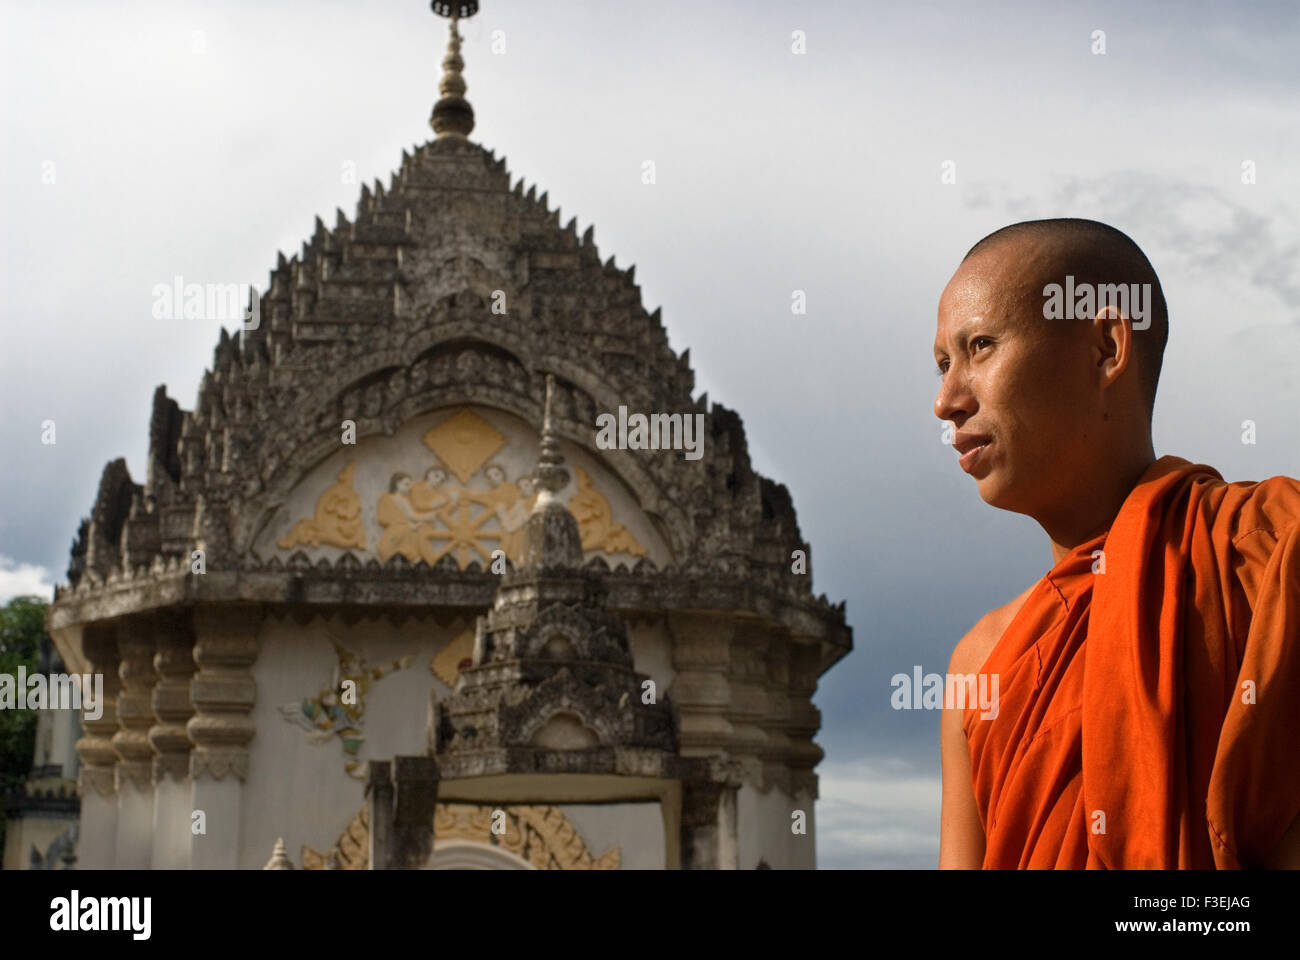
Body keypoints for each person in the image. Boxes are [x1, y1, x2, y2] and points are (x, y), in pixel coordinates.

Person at [933, 218, 1300, 869]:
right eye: (942, 364)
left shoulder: (1266, 558)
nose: (947, 401)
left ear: (1106, 347)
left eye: (981, 346)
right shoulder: (982, 662)